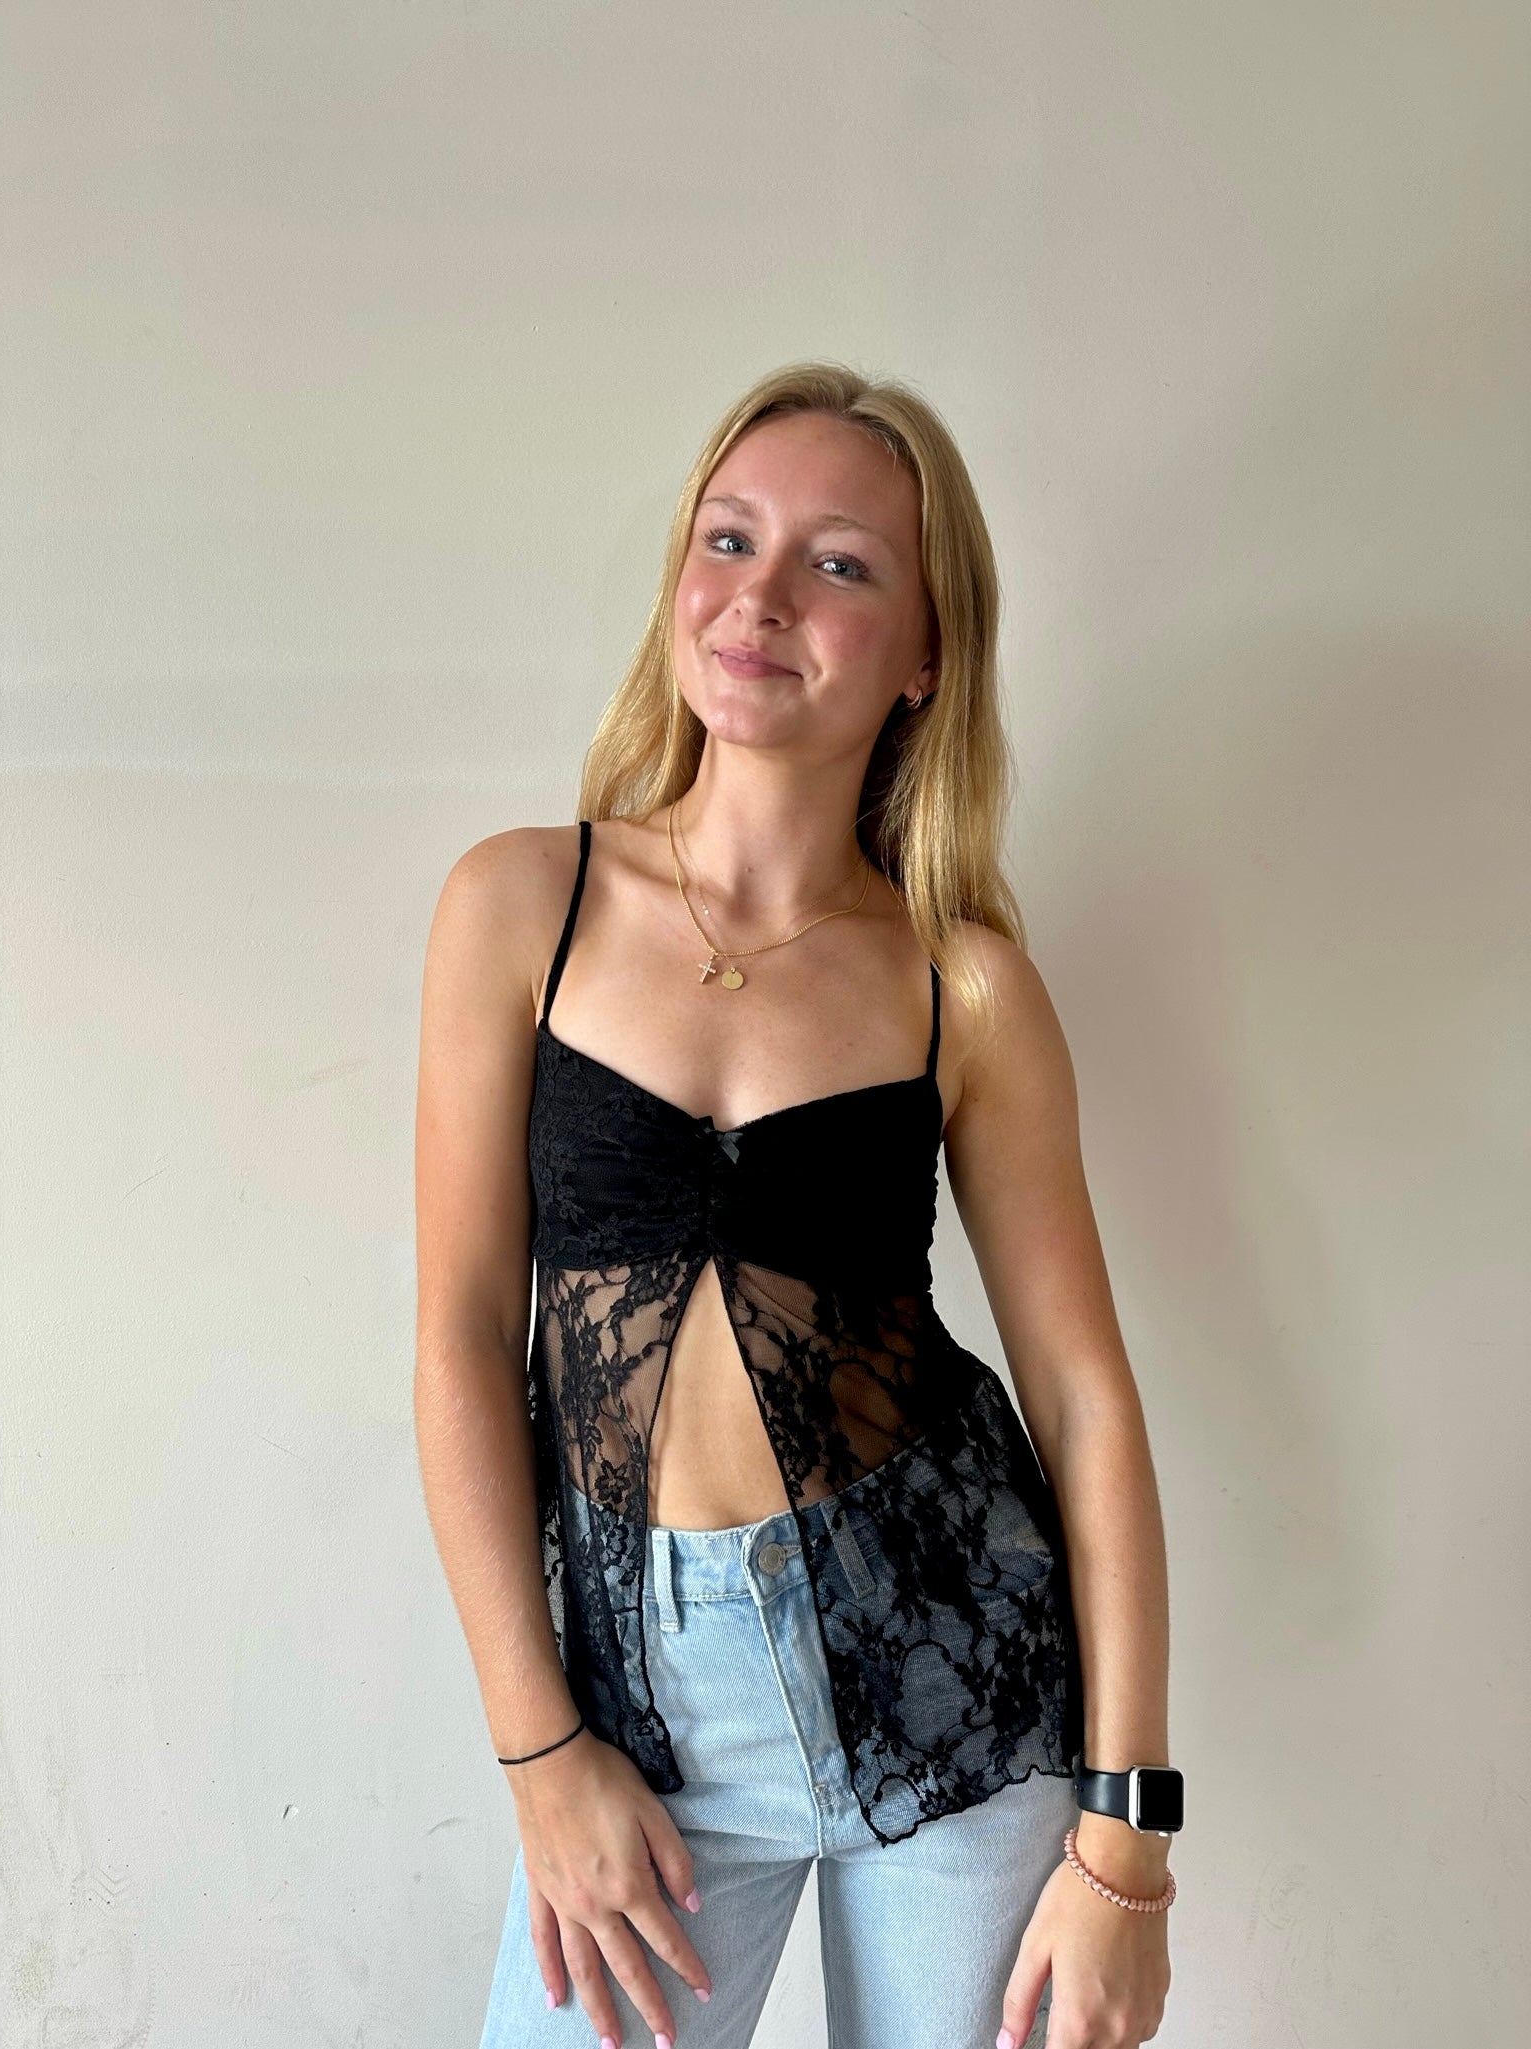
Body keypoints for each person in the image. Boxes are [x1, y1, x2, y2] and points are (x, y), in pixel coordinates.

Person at [414, 361, 1180, 2049]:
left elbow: (1083, 1397)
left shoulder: (964, 987)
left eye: (839, 562)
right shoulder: (522, 905)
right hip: (645, 1726)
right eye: (729, 537)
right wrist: (540, 1752)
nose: (760, 594)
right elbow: (463, 1341)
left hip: (960, 1685)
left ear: (925, 655)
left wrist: (1128, 1837)